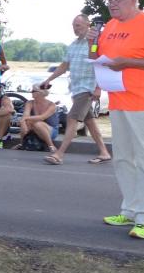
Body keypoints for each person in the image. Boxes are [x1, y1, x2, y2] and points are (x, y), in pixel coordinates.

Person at [89, 0, 144, 239]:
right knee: (123, 158)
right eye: (109, 0)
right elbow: (97, 57)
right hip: (117, 100)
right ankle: (130, 209)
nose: (111, 4)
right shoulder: (110, 26)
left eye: (116, 0)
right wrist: (92, 43)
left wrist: (129, 62)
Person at [41, 14, 111, 165]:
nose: (75, 28)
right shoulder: (73, 45)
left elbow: (101, 65)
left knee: (71, 119)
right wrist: (48, 79)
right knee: (90, 122)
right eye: (73, 26)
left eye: (78, 25)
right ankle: (104, 152)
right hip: (76, 89)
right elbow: (63, 66)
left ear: (87, 25)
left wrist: (98, 88)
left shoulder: (94, 43)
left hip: (88, 89)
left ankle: (59, 154)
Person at [18, 85, 59, 152]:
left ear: (40, 93)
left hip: (51, 130)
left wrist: (24, 119)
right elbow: (26, 114)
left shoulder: (52, 105)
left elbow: (42, 117)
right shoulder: (29, 103)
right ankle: (22, 144)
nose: (31, 92)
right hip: (35, 128)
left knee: (37, 123)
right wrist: (23, 121)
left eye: (33, 91)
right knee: (26, 122)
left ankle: (51, 146)